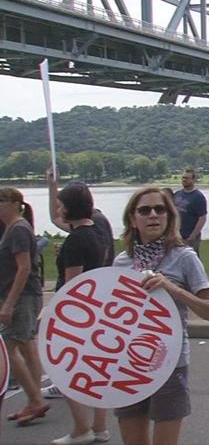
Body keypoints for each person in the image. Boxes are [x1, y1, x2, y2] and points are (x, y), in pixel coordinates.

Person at [113, 187, 209, 445]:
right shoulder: (121, 262)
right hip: (127, 363)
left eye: (160, 209)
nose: (153, 215)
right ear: (133, 219)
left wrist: (172, 289)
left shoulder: (184, 258)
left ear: (169, 216)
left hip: (168, 363)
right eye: (144, 210)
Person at [47, 182, 110, 445]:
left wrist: (54, 316)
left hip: (77, 316)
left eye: (61, 205)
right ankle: (100, 426)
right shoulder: (97, 232)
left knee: (65, 369)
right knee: (95, 371)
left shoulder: (75, 240)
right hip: (97, 309)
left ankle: (81, 428)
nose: (59, 209)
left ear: (70, 208)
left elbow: (73, 287)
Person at [0, 188, 50, 426]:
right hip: (22, 296)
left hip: (22, 297)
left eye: (1, 200)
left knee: (8, 349)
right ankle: (34, 398)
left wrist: (9, 303)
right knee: (27, 346)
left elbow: (24, 267)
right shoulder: (12, 228)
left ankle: (35, 400)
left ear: (14, 203)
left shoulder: (18, 229)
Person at [174, 169, 208, 255]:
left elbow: (202, 218)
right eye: (183, 178)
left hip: (190, 236)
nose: (184, 180)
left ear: (193, 180)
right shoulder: (177, 194)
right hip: (177, 235)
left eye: (187, 178)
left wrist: (192, 237)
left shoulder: (198, 197)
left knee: (191, 258)